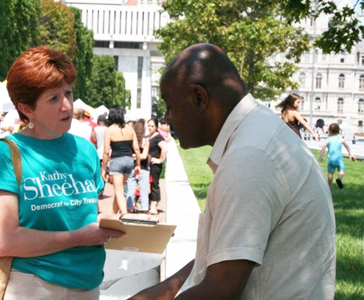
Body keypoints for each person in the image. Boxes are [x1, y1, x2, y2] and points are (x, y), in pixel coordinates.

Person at [130, 44, 335, 299]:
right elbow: (212, 264)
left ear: (199, 98)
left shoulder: (250, 156)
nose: (167, 118)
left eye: (170, 106)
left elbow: (219, 291)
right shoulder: (256, 135)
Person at [0, 46, 124, 299]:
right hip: (32, 285)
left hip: (88, 283)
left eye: (68, 92)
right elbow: (3, 241)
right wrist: (78, 238)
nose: (67, 105)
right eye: (53, 98)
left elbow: (83, 214)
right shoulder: (5, 154)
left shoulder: (85, 151)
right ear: (27, 109)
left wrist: (113, 225)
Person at [102, 105, 141, 215]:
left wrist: (103, 168)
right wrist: (137, 165)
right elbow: (137, 148)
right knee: (119, 191)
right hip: (129, 160)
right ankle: (112, 216)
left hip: (117, 160)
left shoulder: (109, 130)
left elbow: (105, 152)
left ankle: (125, 215)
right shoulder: (130, 128)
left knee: (119, 191)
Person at [319, 123, 355, 189]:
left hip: (331, 159)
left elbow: (323, 148)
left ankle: (329, 186)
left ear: (329, 131)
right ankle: (339, 179)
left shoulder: (327, 140)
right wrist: (350, 154)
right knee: (342, 170)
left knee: (330, 173)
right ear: (338, 131)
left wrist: (321, 156)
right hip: (339, 159)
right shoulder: (341, 139)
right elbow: (347, 146)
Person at [126, 118, 150, 212]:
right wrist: (138, 156)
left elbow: (129, 154)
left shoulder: (131, 139)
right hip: (143, 168)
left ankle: (128, 209)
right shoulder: (145, 141)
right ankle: (145, 210)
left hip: (132, 167)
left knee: (130, 190)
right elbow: (144, 156)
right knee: (144, 191)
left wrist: (134, 156)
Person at [147, 118, 167, 215]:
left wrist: (160, 159)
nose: (150, 128)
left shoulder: (158, 138)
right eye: (149, 126)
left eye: (152, 126)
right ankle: (149, 204)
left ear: (156, 127)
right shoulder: (148, 137)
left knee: (155, 184)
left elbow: (165, 148)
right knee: (149, 185)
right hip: (148, 164)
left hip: (155, 165)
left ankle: (154, 206)